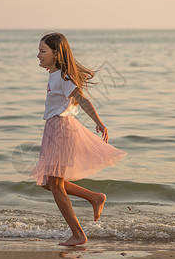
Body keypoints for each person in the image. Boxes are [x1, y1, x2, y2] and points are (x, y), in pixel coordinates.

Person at [30, 32, 126, 246]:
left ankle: (78, 234)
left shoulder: (64, 78)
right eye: (39, 51)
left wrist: (99, 122)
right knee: (48, 183)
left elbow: (82, 100)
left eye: (42, 51)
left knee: (54, 185)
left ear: (56, 53)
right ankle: (94, 197)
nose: (38, 55)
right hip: (52, 129)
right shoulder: (55, 75)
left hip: (61, 129)